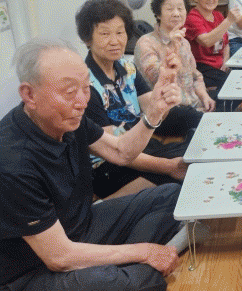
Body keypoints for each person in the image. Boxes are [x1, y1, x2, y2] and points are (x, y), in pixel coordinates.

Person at [0, 39, 184, 290]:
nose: (82, 101)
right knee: (133, 281)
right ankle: (129, 270)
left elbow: (120, 152)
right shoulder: (12, 162)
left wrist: (154, 112)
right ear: (29, 94)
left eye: (86, 87)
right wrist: (142, 251)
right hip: (34, 269)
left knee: (171, 197)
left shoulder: (69, 118)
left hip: (81, 229)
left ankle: (123, 268)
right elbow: (59, 257)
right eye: (69, 91)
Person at [76, 0, 202, 198]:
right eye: (105, 34)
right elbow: (114, 152)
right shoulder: (86, 86)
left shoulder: (127, 68)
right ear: (87, 39)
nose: (115, 41)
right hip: (107, 167)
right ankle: (109, 205)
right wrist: (169, 166)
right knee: (179, 181)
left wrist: (165, 94)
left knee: (197, 154)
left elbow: (155, 111)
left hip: (140, 145)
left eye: (120, 32)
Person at [135, 0, 238, 111]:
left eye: (180, 9)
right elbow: (158, 78)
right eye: (169, 9)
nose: (176, 14)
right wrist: (172, 47)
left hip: (193, 102)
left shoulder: (184, 42)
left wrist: (205, 97)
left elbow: (196, 76)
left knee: (234, 94)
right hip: (169, 108)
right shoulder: (146, 42)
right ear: (158, 14)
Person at [183, 0, 241, 90]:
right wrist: (229, 20)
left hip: (219, 66)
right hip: (201, 66)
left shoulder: (218, 15)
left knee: (241, 75)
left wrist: (225, 61)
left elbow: (226, 43)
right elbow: (206, 41)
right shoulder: (192, 18)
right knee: (231, 85)